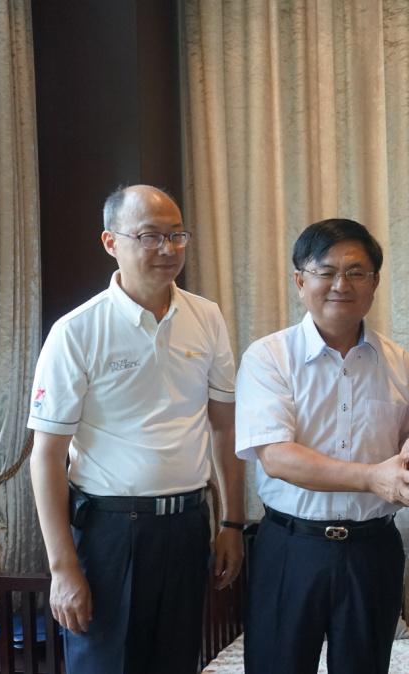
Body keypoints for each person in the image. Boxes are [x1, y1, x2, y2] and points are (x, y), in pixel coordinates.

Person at [28, 185, 244, 674]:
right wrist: (63, 567)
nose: (167, 249)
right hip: (109, 532)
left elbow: (224, 428)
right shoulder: (77, 331)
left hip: (188, 525)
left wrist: (232, 523)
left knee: (176, 661)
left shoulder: (206, 316)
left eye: (177, 235)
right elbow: (46, 456)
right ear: (111, 242)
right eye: (149, 236)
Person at [234, 218, 409, 674]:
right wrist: (373, 477)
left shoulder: (402, 365)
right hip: (291, 546)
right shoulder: (268, 357)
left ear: (374, 283)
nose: (341, 284)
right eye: (326, 271)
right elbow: (276, 457)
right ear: (300, 281)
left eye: (357, 272)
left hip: (372, 549)